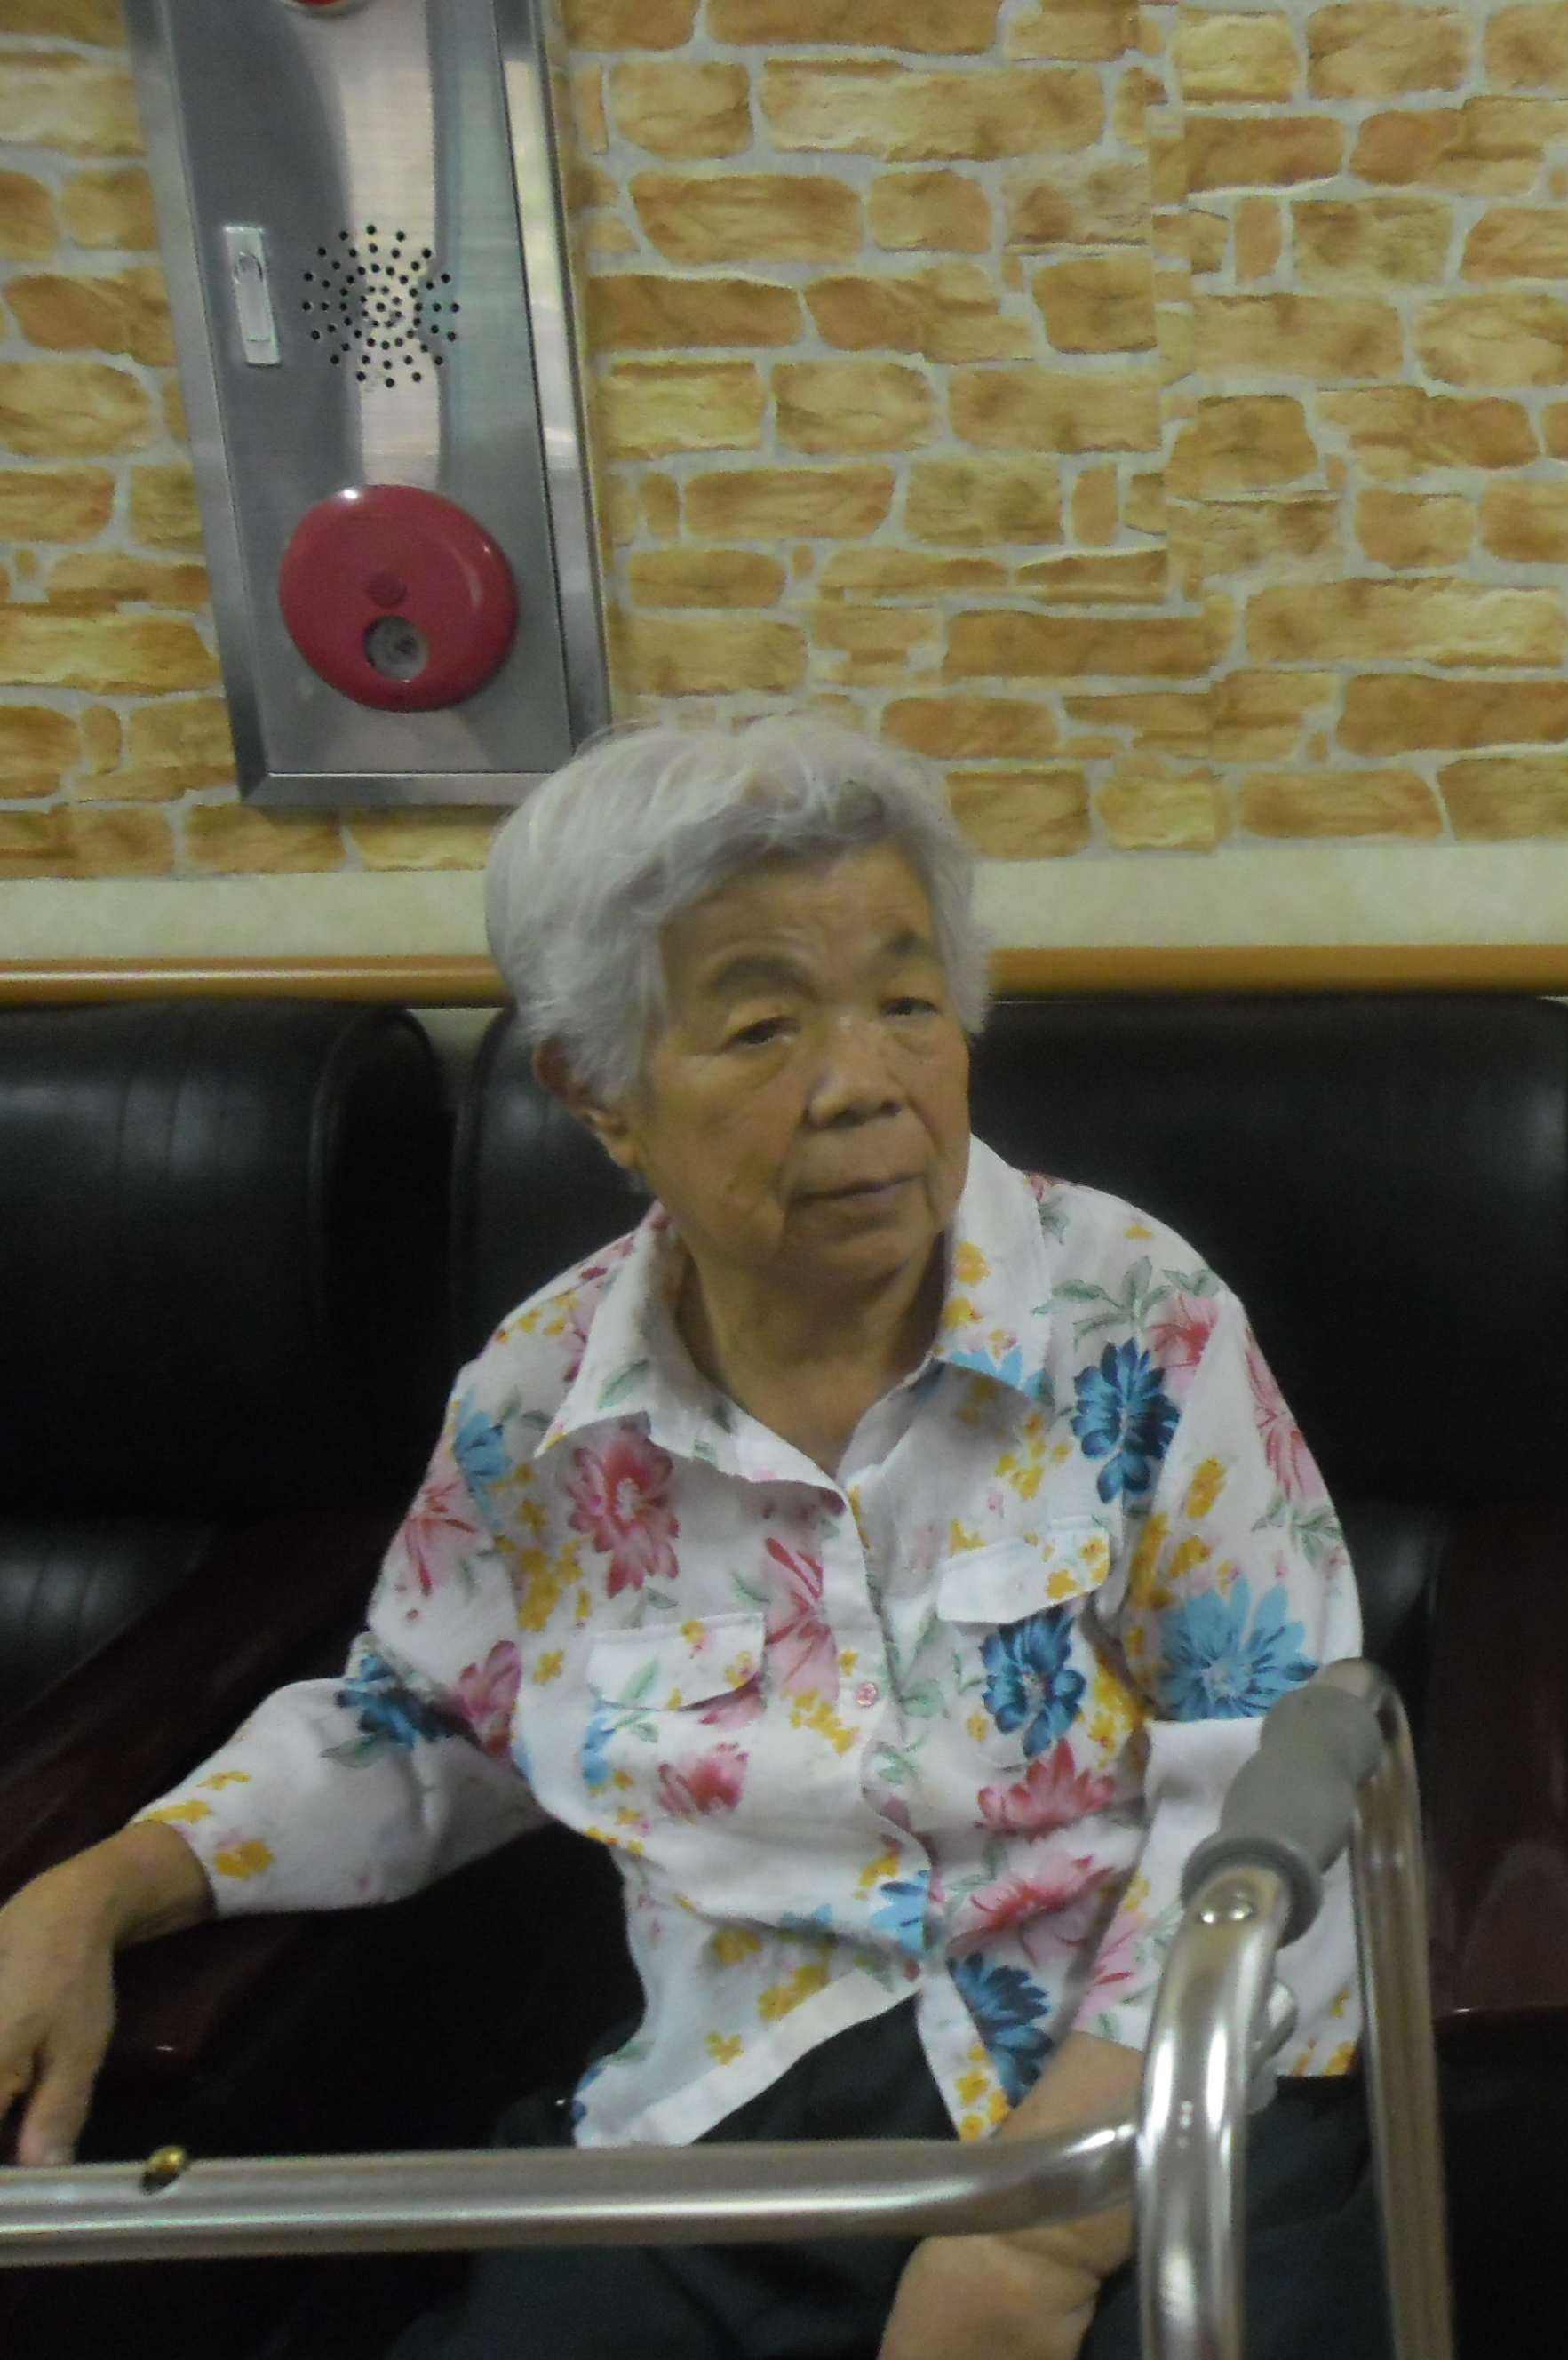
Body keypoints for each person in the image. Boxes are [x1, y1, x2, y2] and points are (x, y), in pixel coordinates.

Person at [0, 717, 1381, 2360]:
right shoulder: (538, 1403)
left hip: (1140, 2101)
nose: (862, 1084)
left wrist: (1029, 2243)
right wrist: (102, 1891)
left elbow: (1280, 1781)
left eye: (907, 1000)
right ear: (598, 1095)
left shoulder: (1133, 1321)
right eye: (761, 1025)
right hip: (728, 2122)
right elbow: (423, 1730)